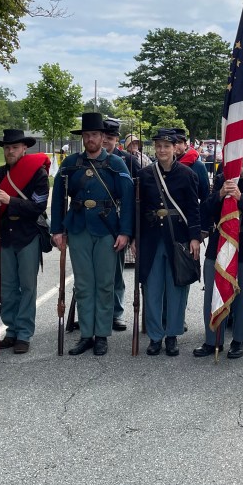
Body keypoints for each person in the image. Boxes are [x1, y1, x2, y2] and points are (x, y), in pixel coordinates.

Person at [51, 113, 134, 356]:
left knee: (105, 284)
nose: (90, 139)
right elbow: (58, 198)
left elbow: (128, 200)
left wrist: (125, 232)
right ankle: (86, 334)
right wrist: (57, 229)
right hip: (78, 228)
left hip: (107, 229)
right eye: (86, 135)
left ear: (102, 137)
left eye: (95, 135)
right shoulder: (71, 164)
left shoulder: (116, 164)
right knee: (84, 284)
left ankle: (102, 335)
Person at [196, 142, 243, 360]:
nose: (236, 160)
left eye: (241, 155)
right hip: (220, 242)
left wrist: (241, 198)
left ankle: (238, 339)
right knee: (213, 291)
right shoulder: (222, 178)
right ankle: (212, 339)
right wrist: (220, 194)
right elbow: (206, 210)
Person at [0, 129, 50, 354]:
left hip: (28, 234)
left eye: (15, 147)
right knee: (7, 287)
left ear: (24, 148)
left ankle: (24, 333)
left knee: (27, 286)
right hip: (5, 236)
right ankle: (11, 330)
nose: (10, 151)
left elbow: (38, 207)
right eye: (7, 147)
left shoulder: (38, 174)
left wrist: (10, 200)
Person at [136, 128, 201, 356]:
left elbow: (193, 209)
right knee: (152, 289)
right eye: (158, 146)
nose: (162, 150)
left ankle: (172, 334)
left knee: (176, 288)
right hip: (151, 238)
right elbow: (138, 209)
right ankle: (155, 336)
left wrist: (195, 237)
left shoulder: (187, 174)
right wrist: (135, 238)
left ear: (175, 148)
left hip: (178, 238)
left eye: (166, 146)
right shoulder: (144, 175)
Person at [103, 118, 140, 332]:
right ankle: (92, 313)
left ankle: (116, 313)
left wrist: (131, 230)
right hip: (96, 222)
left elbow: (136, 197)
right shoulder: (88, 159)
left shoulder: (129, 161)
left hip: (118, 221)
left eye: (110, 138)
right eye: (103, 137)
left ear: (116, 139)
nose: (105, 141)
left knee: (116, 272)